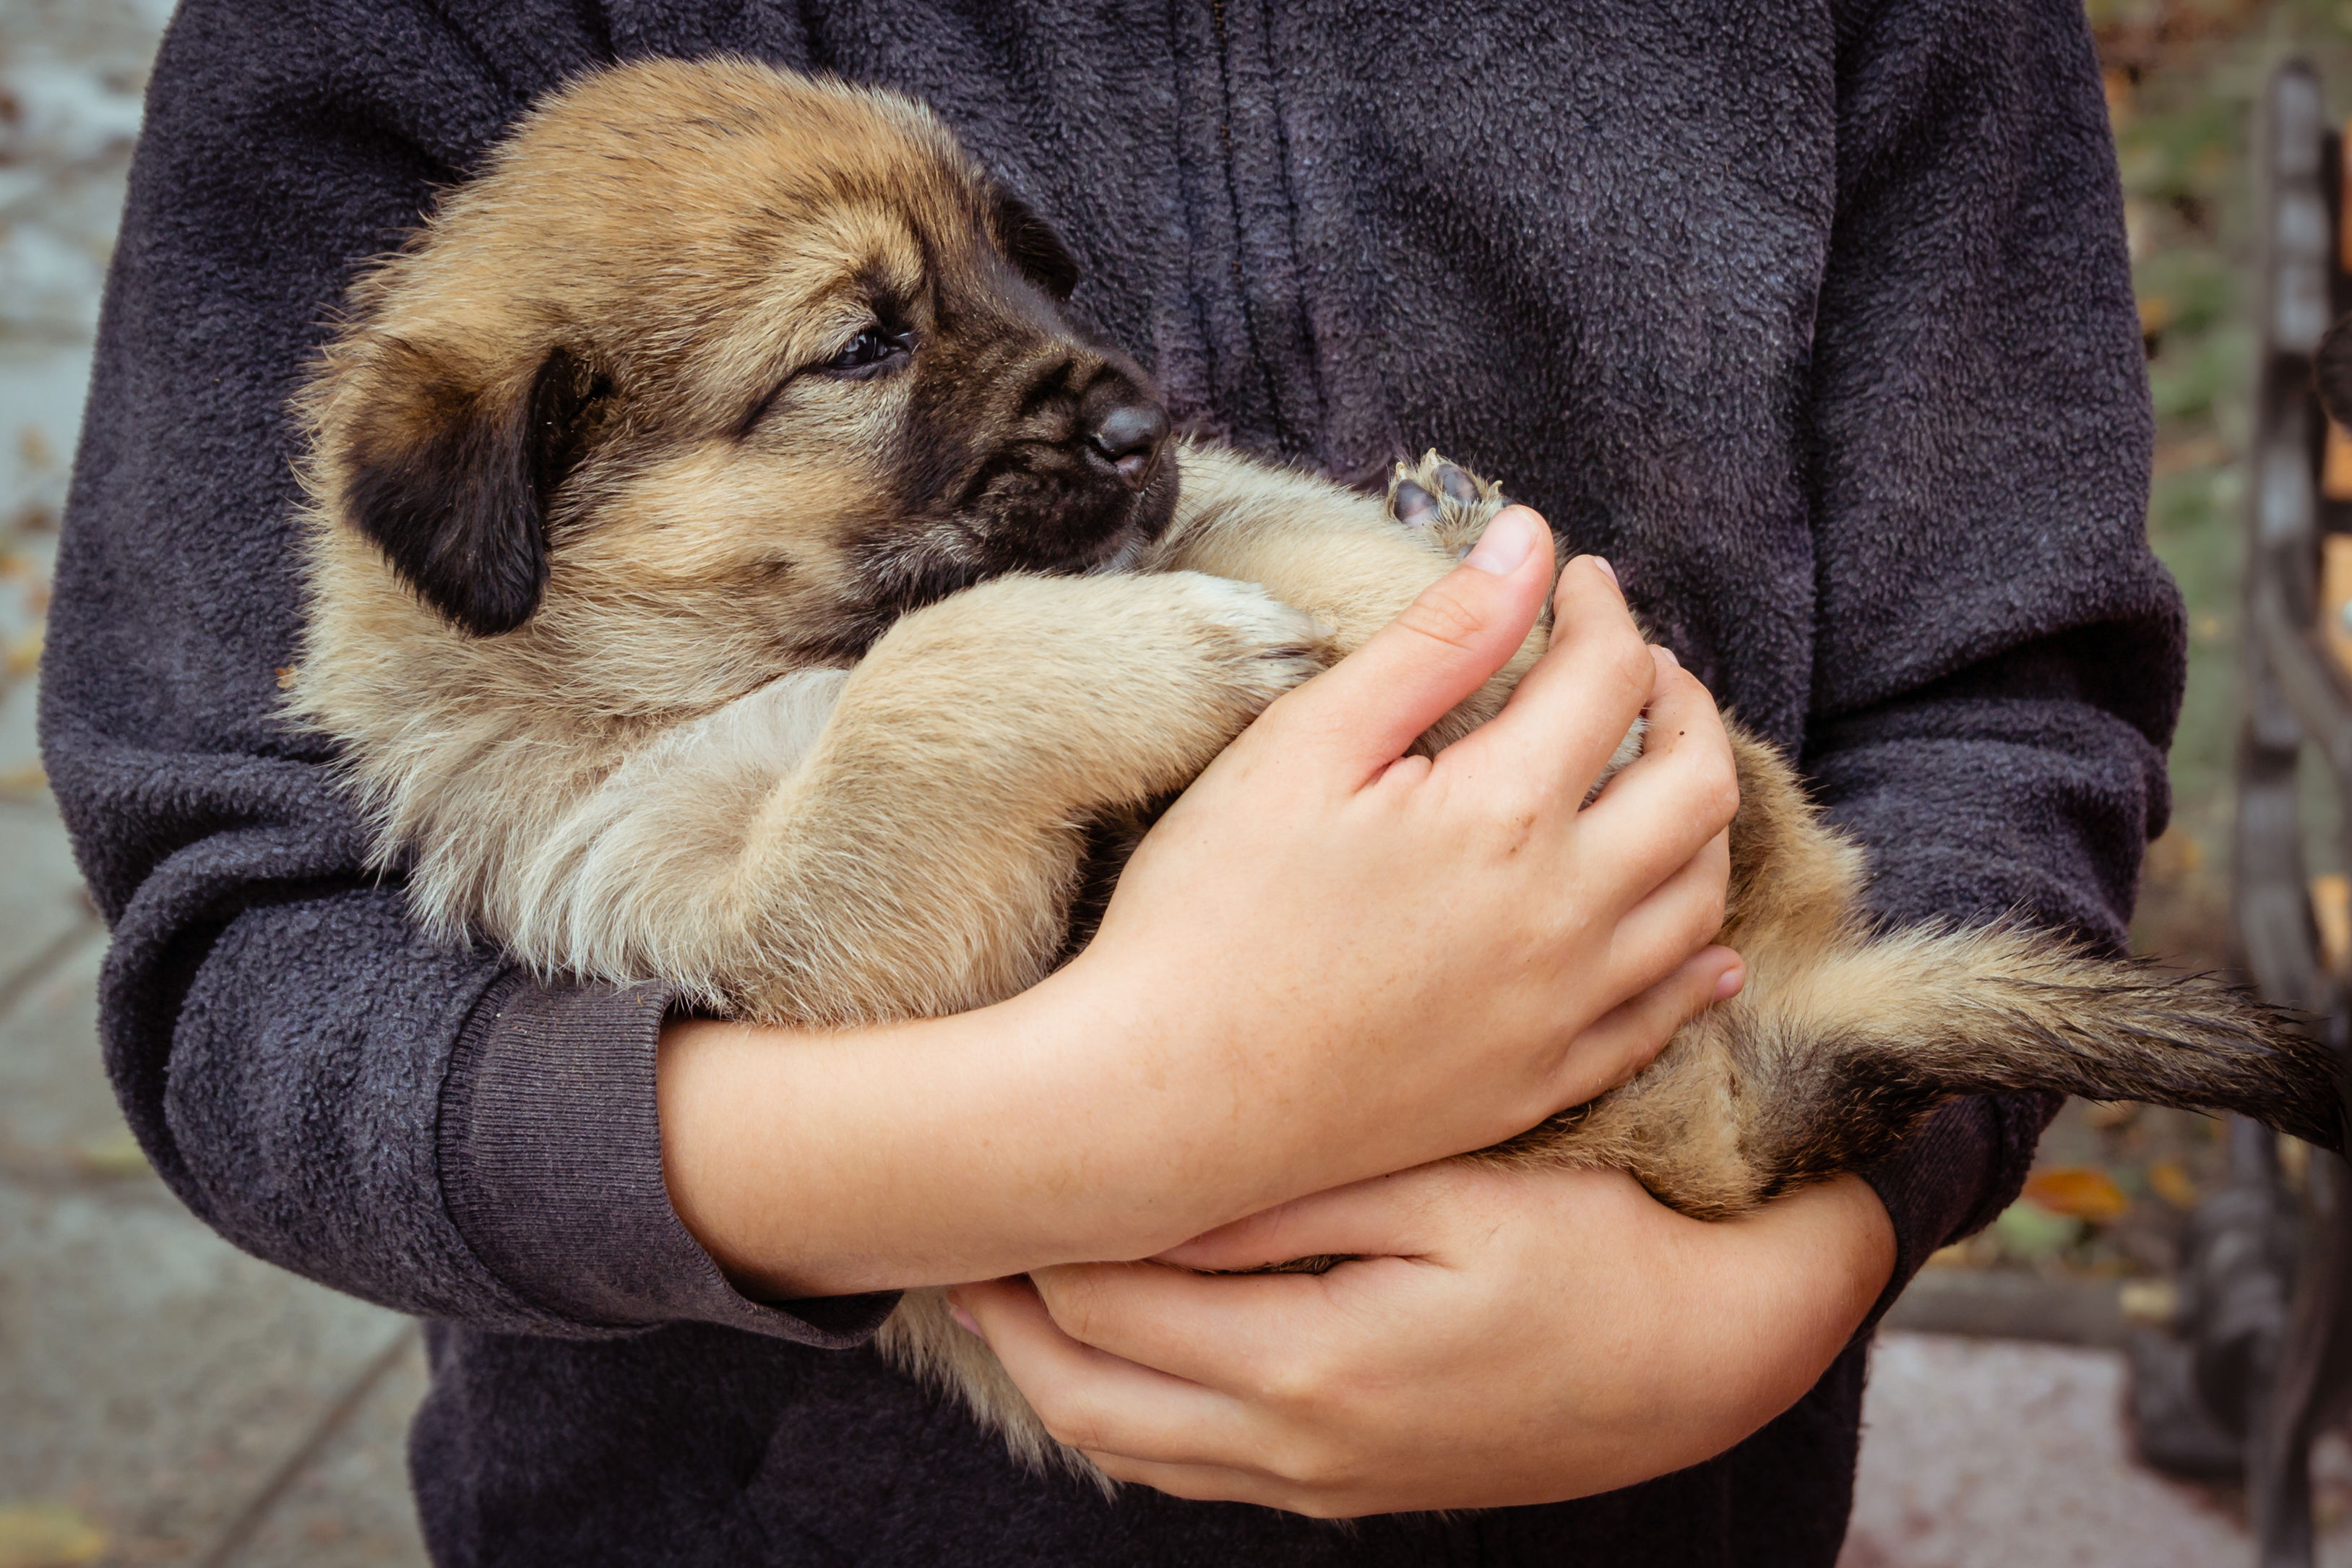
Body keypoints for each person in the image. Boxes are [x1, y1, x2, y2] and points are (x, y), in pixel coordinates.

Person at [38, 0, 2177, 1561]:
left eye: (1005, 275)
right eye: (873, 347)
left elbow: (2010, 704)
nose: (1113, 405)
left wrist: (1773, 1296)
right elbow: (245, 959)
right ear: (517, 499)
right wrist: (1068, 1124)